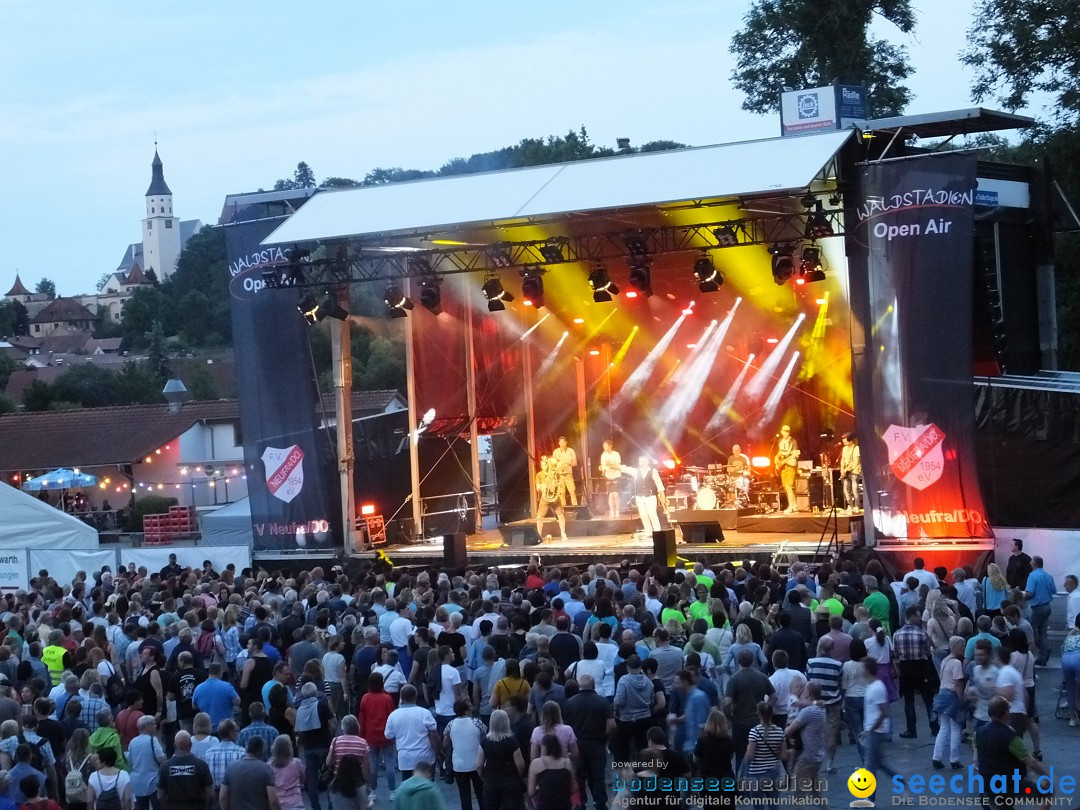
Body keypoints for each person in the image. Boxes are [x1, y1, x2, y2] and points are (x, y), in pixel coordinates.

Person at [976, 697, 1049, 808]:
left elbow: (977, 760)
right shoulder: (1009, 735)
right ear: (1005, 713)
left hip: (987, 786)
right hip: (1009, 785)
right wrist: (1046, 776)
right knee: (1045, 794)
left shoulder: (979, 732)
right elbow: (1031, 762)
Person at [723, 649, 775, 772]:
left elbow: (727, 702)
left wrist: (729, 716)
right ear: (753, 661)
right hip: (759, 721)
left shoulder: (734, 679)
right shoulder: (762, 676)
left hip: (740, 722)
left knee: (741, 754)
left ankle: (742, 782)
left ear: (738, 661)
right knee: (761, 752)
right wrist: (766, 709)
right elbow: (774, 696)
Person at [893, 607, 939, 739]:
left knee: (908, 700)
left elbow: (896, 653)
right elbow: (928, 651)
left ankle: (911, 730)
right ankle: (934, 726)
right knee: (928, 700)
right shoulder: (922, 633)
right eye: (918, 616)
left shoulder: (897, 634)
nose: (920, 619)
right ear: (912, 616)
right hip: (921, 667)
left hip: (906, 668)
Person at [860, 656, 896, 802]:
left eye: (862, 667)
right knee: (879, 763)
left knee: (870, 765)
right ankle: (902, 782)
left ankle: (870, 798)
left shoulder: (876, 687)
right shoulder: (873, 686)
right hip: (874, 729)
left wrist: (870, 729)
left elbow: (884, 712)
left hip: (876, 730)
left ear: (868, 669)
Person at [384, 685, 438, 783]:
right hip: (425, 755)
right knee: (426, 786)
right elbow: (433, 734)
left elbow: (389, 736)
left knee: (408, 788)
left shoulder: (393, 715)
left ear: (401, 697)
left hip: (405, 758)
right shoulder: (425, 713)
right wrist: (437, 751)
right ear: (415, 696)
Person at [359, 673, 397, 798]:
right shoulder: (387, 698)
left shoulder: (365, 698)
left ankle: (373, 790)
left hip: (371, 735)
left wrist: (362, 735)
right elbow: (391, 717)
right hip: (386, 735)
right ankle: (392, 790)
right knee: (390, 762)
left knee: (373, 763)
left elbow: (362, 719)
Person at [477, 710, 525, 810]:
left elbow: (479, 765)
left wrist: (483, 776)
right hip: (510, 783)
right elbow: (520, 765)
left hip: (491, 783)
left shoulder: (485, 741)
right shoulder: (512, 741)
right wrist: (517, 776)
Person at [785, 681, 825, 799]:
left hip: (807, 758)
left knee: (798, 794)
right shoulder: (820, 709)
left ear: (808, 693)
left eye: (805, 689)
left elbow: (788, 731)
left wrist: (788, 727)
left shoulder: (807, 711)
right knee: (816, 794)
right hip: (816, 755)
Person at [742, 701, 787, 809]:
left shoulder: (754, 732)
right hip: (773, 774)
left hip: (756, 775)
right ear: (772, 713)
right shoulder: (780, 731)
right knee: (773, 805)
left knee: (758, 806)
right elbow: (784, 756)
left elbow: (750, 756)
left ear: (758, 714)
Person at [443, 699, 485, 810]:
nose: (472, 708)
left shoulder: (450, 725)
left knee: (464, 795)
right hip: (477, 763)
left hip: (459, 765)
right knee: (481, 793)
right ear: (466, 711)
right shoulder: (477, 723)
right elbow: (485, 737)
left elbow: (445, 743)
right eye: (470, 706)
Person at [693, 708, 735, 808]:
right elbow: (731, 756)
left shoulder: (702, 741)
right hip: (726, 778)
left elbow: (695, 759)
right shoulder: (729, 740)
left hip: (708, 779)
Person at [219, 737, 275, 810]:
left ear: (247, 747)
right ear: (262, 750)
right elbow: (273, 801)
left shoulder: (231, 767)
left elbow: (222, 797)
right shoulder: (266, 769)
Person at [126, 716, 166, 810]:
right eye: (153, 724)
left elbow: (130, 761)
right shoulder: (153, 740)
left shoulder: (132, 742)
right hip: (153, 782)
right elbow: (161, 759)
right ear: (147, 726)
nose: (156, 726)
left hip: (137, 782)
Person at [526, 734, 574, 810]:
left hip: (545, 805)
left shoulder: (536, 763)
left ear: (544, 747)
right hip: (564, 805)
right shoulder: (567, 763)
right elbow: (573, 788)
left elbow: (531, 791)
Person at [1023, 556, 1056, 667]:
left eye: (1031, 562)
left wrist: (1021, 595)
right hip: (1047, 606)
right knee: (1043, 633)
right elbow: (1053, 590)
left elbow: (1030, 593)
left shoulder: (1032, 576)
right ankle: (1044, 655)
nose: (1030, 563)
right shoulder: (1048, 575)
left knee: (1031, 632)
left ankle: (1043, 650)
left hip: (1036, 608)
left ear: (1035, 564)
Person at [623, 457, 667, 540]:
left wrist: (662, 493)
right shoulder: (636, 471)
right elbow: (626, 469)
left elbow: (658, 483)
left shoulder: (653, 471)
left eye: (644, 461)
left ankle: (657, 532)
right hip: (640, 497)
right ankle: (648, 532)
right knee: (643, 515)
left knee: (652, 514)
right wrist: (616, 466)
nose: (642, 463)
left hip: (650, 496)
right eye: (640, 461)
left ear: (647, 462)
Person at [534, 458, 567, 543]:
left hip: (555, 497)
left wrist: (558, 483)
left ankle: (563, 534)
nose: (543, 467)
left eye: (545, 465)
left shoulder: (555, 473)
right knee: (540, 517)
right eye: (542, 465)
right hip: (545, 497)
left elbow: (561, 484)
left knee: (561, 515)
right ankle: (539, 536)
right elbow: (537, 488)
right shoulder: (539, 474)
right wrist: (543, 484)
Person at [269, 735, 305, 810]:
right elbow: (303, 779)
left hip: (279, 805)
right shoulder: (296, 763)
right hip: (296, 804)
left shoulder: (269, 766)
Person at [774, 425, 799, 514]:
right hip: (783, 467)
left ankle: (791, 507)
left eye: (788, 431)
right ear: (781, 431)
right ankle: (795, 505)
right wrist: (776, 457)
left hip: (790, 466)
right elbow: (780, 452)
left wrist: (784, 461)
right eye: (785, 431)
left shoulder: (793, 441)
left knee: (789, 486)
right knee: (785, 487)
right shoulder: (780, 441)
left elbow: (795, 455)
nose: (786, 433)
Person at [1062, 614, 1080, 727]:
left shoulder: (1071, 635)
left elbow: (1062, 649)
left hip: (1065, 659)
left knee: (1070, 688)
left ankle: (1072, 717)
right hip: (1078, 659)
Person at [551, 436, 578, 507]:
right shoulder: (556, 452)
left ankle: (575, 508)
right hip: (560, 475)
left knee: (572, 492)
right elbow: (553, 463)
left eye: (563, 443)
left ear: (566, 443)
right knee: (561, 493)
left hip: (568, 474)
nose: (562, 444)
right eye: (561, 443)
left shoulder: (571, 450)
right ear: (559, 443)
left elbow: (575, 463)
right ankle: (563, 510)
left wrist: (569, 463)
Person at [839, 433, 861, 512]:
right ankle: (850, 505)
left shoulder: (856, 448)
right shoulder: (844, 449)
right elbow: (843, 459)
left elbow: (855, 462)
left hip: (854, 471)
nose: (843, 441)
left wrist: (847, 469)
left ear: (851, 440)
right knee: (846, 490)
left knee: (855, 490)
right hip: (846, 472)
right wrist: (842, 469)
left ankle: (857, 506)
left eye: (845, 439)